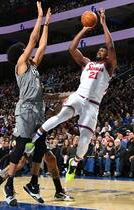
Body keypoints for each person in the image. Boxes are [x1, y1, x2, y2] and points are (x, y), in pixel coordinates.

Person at [32, 8, 117, 181]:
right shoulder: (87, 63)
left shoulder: (108, 66)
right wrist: (85, 29)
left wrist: (103, 23)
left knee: (85, 139)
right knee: (61, 115)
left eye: (103, 51)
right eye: (99, 50)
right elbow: (72, 48)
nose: (101, 51)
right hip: (78, 96)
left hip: (92, 105)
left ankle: (75, 162)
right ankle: (34, 138)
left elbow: (111, 46)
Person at [0, 2, 52, 206]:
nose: (29, 50)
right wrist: (39, 17)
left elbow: (43, 46)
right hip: (26, 108)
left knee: (40, 146)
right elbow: (33, 39)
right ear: (20, 53)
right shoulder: (21, 65)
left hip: (39, 108)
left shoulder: (33, 65)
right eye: (25, 49)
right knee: (21, 146)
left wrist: (47, 24)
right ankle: (9, 185)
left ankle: (33, 183)